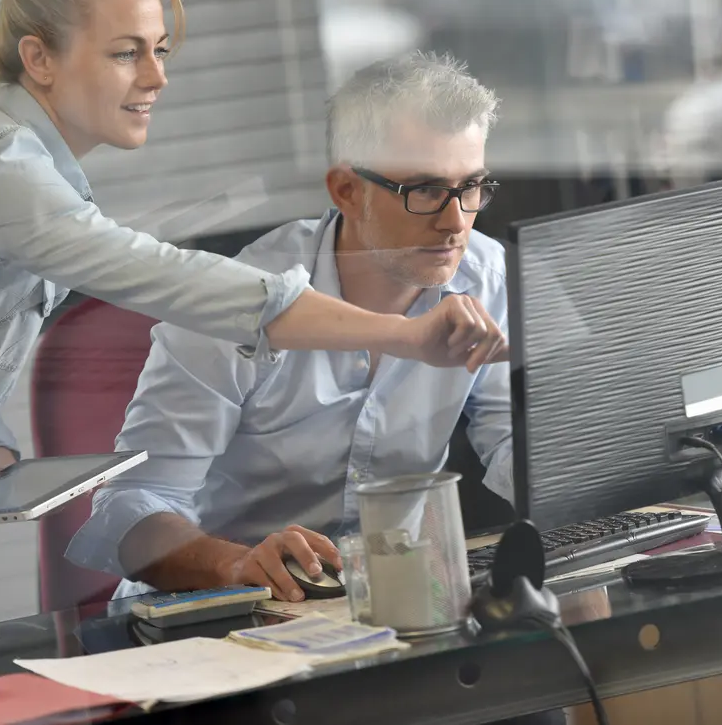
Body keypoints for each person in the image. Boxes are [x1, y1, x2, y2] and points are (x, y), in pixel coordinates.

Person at [0, 0, 506, 653]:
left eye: (160, 50)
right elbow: (167, 277)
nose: (155, 78)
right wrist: (404, 335)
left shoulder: (26, 179)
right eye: (126, 52)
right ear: (40, 59)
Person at [67, 51, 513, 604]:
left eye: (471, 187)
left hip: (382, 600)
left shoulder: (486, 276)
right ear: (347, 191)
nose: (456, 223)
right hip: (218, 614)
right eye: (423, 191)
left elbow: (521, 442)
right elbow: (130, 508)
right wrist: (238, 565)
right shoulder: (239, 299)